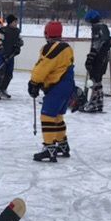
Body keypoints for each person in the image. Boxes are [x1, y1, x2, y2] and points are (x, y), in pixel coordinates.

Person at [28, 21, 76, 162]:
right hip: (68, 85)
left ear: (47, 33)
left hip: (57, 87)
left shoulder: (50, 48)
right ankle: (62, 145)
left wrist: (34, 82)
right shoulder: (67, 47)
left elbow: (43, 66)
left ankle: (49, 148)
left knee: (47, 116)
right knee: (57, 117)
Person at [78, 9, 111, 114]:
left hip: (99, 57)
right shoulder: (104, 26)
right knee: (98, 80)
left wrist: (90, 58)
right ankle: (98, 103)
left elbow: (96, 45)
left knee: (94, 80)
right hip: (104, 57)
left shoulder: (96, 28)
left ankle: (93, 104)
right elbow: (109, 41)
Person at [0, 13, 23, 99]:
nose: (16, 23)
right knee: (0, 73)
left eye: (16, 21)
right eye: (14, 21)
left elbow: (20, 41)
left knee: (9, 74)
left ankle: (3, 89)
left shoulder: (17, 31)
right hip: (1, 55)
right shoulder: (3, 30)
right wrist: (4, 55)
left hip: (11, 55)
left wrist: (18, 47)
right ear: (10, 22)